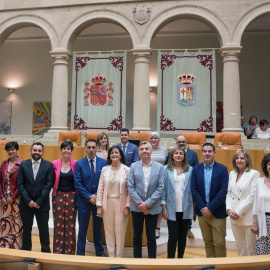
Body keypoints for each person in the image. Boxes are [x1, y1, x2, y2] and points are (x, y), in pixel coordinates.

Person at [191, 142, 229, 258]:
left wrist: (210, 208)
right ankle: (211, 265)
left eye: (209, 151)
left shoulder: (222, 169)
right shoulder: (196, 169)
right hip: (202, 213)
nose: (207, 154)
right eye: (205, 151)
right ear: (202, 153)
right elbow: (194, 189)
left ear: (214, 153)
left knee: (219, 243)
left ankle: (221, 267)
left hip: (217, 212)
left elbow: (223, 192)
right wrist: (204, 208)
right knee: (208, 242)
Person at [127, 141, 164, 258]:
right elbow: (130, 187)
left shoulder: (159, 167)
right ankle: (137, 263)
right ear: (139, 151)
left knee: (151, 238)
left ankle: (151, 263)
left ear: (151, 151)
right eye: (142, 149)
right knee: (137, 237)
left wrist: (147, 204)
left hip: (152, 208)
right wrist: (141, 205)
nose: (144, 151)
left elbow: (160, 187)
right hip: (136, 208)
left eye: (146, 149)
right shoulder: (133, 166)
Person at [17, 142, 53, 252]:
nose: (36, 152)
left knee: (44, 230)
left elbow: (48, 185)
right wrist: (28, 201)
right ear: (31, 151)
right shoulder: (23, 164)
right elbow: (20, 184)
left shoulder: (48, 165)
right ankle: (26, 251)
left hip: (42, 204)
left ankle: (45, 252)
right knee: (26, 229)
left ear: (42, 152)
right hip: (26, 204)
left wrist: (39, 202)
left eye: (39, 150)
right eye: (34, 150)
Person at [74, 139, 107, 256]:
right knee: (82, 230)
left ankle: (99, 253)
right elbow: (77, 183)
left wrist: (97, 196)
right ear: (85, 148)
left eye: (93, 147)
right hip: (84, 202)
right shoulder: (79, 163)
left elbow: (105, 182)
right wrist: (89, 196)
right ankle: (80, 254)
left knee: (98, 229)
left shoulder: (104, 163)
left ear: (97, 149)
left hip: (98, 202)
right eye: (89, 147)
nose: (91, 150)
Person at [96, 145, 130, 257]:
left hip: (121, 203)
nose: (114, 154)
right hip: (108, 202)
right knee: (109, 230)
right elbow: (100, 188)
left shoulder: (127, 170)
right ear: (109, 156)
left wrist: (127, 206)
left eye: (116, 152)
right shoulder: (105, 169)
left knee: (120, 231)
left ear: (120, 155)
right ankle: (111, 256)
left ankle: (119, 256)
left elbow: (129, 190)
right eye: (112, 153)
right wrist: (99, 206)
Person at [161, 146, 193, 258]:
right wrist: (163, 208)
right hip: (171, 208)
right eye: (176, 153)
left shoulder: (190, 169)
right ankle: (170, 260)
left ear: (184, 156)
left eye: (181, 153)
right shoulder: (165, 169)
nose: (178, 155)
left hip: (186, 207)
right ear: (172, 156)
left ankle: (180, 259)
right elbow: (163, 189)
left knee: (182, 236)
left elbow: (192, 190)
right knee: (173, 235)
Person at [226, 149, 259, 256]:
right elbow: (229, 194)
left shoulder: (254, 174)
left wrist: (237, 212)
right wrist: (229, 209)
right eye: (237, 158)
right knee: (240, 249)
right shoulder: (232, 173)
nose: (239, 160)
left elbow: (252, 197)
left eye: (242, 158)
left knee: (250, 250)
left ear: (247, 160)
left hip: (248, 217)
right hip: (234, 217)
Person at [166, 135, 199, 238]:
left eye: (183, 142)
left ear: (186, 142)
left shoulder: (193, 153)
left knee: (186, 209)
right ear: (176, 143)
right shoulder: (170, 153)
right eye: (179, 142)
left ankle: (188, 229)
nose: (181, 143)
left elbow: (196, 168)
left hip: (187, 186)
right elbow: (168, 168)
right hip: (174, 187)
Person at [52, 140, 77, 254]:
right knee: (58, 223)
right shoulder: (54, 163)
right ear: (61, 150)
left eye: (68, 149)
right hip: (58, 196)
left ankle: (69, 252)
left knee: (70, 225)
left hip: (72, 196)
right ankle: (58, 251)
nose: (66, 151)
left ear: (71, 151)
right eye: (64, 148)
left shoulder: (76, 164)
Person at [0, 141, 22, 249]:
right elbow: (0, 182)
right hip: (4, 200)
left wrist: (13, 197)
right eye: (8, 150)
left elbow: (22, 184)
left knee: (16, 223)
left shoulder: (22, 164)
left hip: (16, 199)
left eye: (13, 149)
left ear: (17, 150)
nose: (10, 152)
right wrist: (2, 197)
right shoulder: (3, 164)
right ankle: (5, 247)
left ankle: (16, 247)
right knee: (5, 222)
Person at [149, 131, 168, 239]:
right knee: (151, 201)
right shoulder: (147, 148)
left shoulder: (164, 150)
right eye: (152, 138)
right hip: (149, 178)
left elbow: (165, 163)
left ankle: (157, 227)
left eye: (156, 138)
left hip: (161, 178)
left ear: (159, 139)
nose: (154, 140)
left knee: (161, 202)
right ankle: (150, 226)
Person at [251, 154, 270, 255]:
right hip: (263, 221)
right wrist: (255, 223)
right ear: (266, 167)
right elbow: (255, 204)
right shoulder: (259, 181)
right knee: (263, 251)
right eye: (269, 164)